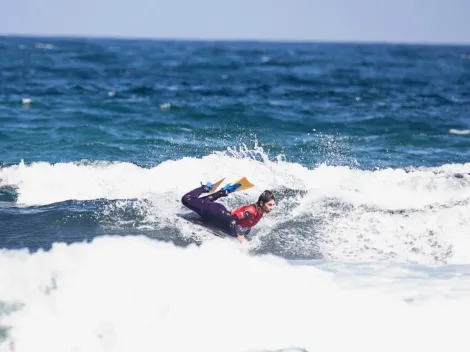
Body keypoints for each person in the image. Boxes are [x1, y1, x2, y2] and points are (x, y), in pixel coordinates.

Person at [181, 182, 275, 243]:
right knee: (186, 199)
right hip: (215, 212)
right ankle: (205, 187)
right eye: (270, 205)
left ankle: (222, 192)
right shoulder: (250, 211)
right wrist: (238, 236)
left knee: (202, 202)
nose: (272, 208)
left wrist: (244, 235)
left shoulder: (260, 212)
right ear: (262, 203)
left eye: (273, 205)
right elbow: (232, 222)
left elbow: (247, 225)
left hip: (217, 218)